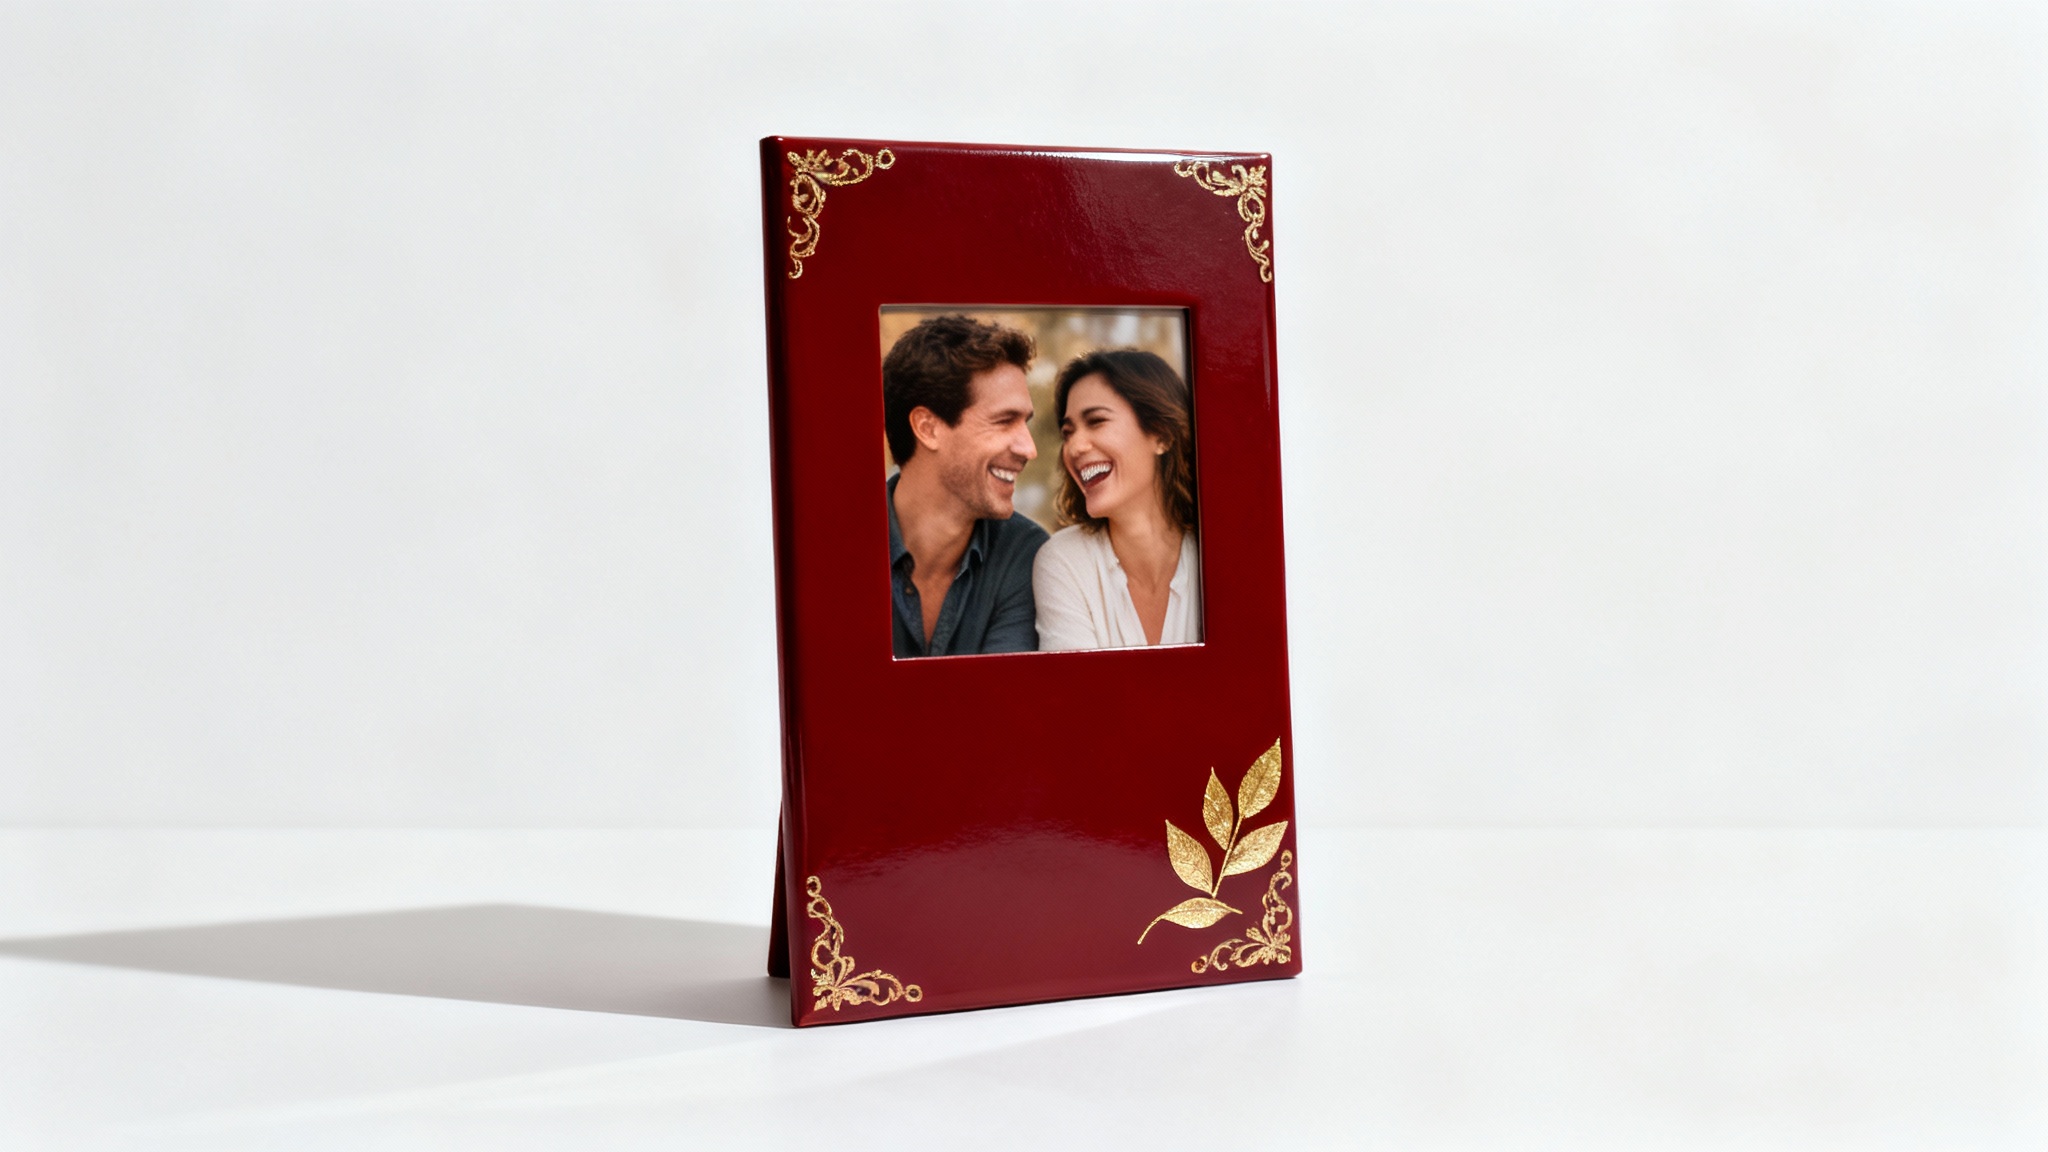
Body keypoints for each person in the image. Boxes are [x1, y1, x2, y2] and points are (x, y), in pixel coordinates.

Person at [882, 315, 1049, 658]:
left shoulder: (1024, 555)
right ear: (928, 428)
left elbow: (998, 702)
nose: (1029, 449)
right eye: (1004, 421)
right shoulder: (835, 550)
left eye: (1025, 423)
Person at [1033, 349, 1202, 650]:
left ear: (1161, 435)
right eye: (1067, 433)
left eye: (1096, 421)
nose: (1074, 447)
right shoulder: (1065, 561)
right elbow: (1079, 694)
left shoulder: (1215, 554)